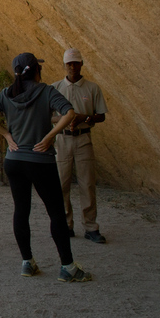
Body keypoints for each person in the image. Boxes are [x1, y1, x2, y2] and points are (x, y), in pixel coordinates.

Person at [0, 52, 92, 282]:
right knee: (56, 213)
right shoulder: (46, 91)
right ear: (36, 70)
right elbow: (69, 113)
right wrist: (50, 137)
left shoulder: (7, 94)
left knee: (21, 210)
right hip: (40, 161)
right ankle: (68, 267)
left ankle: (27, 262)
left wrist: (7, 135)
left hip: (14, 160)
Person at [51, 48, 108, 243]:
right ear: (65, 65)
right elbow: (48, 115)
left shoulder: (92, 88)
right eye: (69, 64)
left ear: (82, 64)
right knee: (61, 184)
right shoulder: (56, 87)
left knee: (87, 183)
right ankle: (66, 225)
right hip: (63, 138)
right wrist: (64, 119)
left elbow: (101, 115)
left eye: (76, 63)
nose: (73, 67)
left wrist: (86, 117)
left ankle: (91, 227)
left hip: (83, 138)